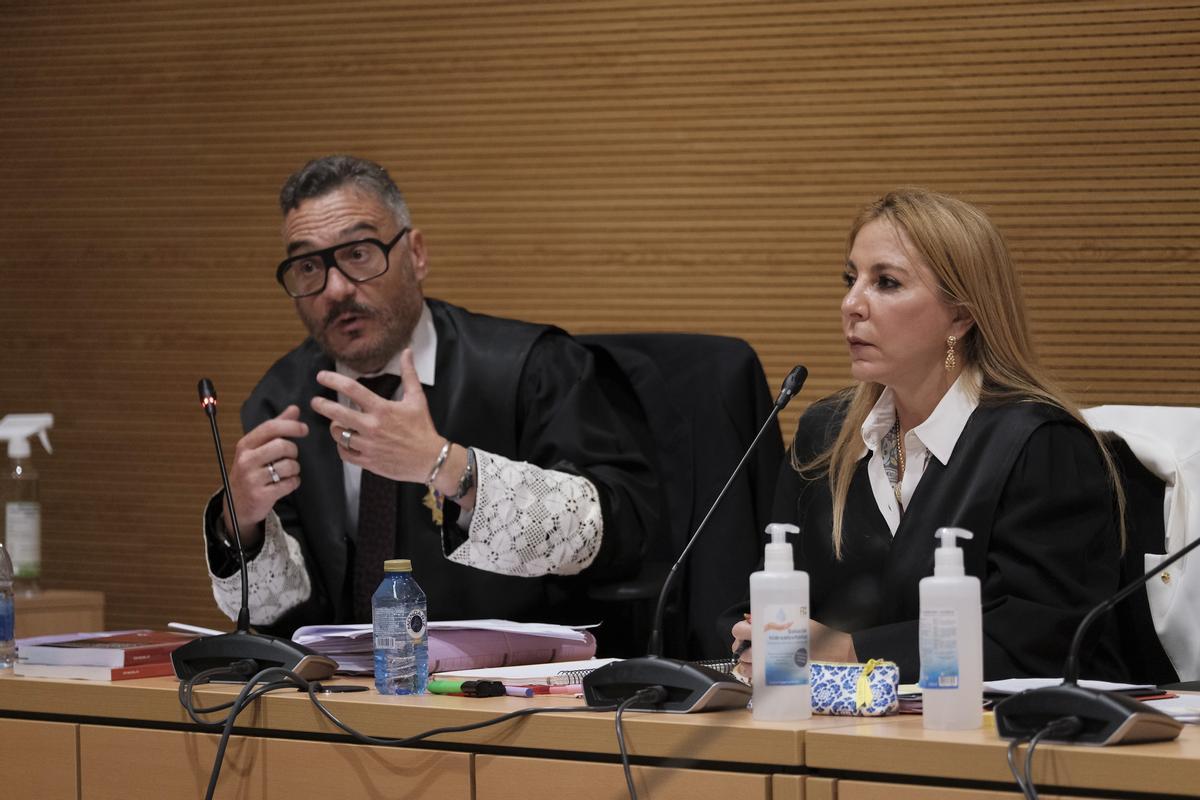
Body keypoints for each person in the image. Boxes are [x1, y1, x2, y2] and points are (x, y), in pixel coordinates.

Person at [201, 155, 659, 637]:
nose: (334, 288)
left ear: (416, 254)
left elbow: (621, 530)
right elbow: (281, 609)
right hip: (348, 695)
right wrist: (241, 526)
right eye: (309, 266)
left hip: (521, 688)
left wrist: (447, 466)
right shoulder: (284, 398)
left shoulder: (533, 366)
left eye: (358, 253)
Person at [730, 188, 1129, 683]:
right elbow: (782, 603)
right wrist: (762, 638)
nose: (851, 304)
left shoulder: (1040, 445)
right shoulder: (824, 435)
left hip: (1010, 743)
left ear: (961, 316)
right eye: (851, 280)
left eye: (887, 283)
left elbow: (1043, 639)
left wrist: (850, 650)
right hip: (835, 729)